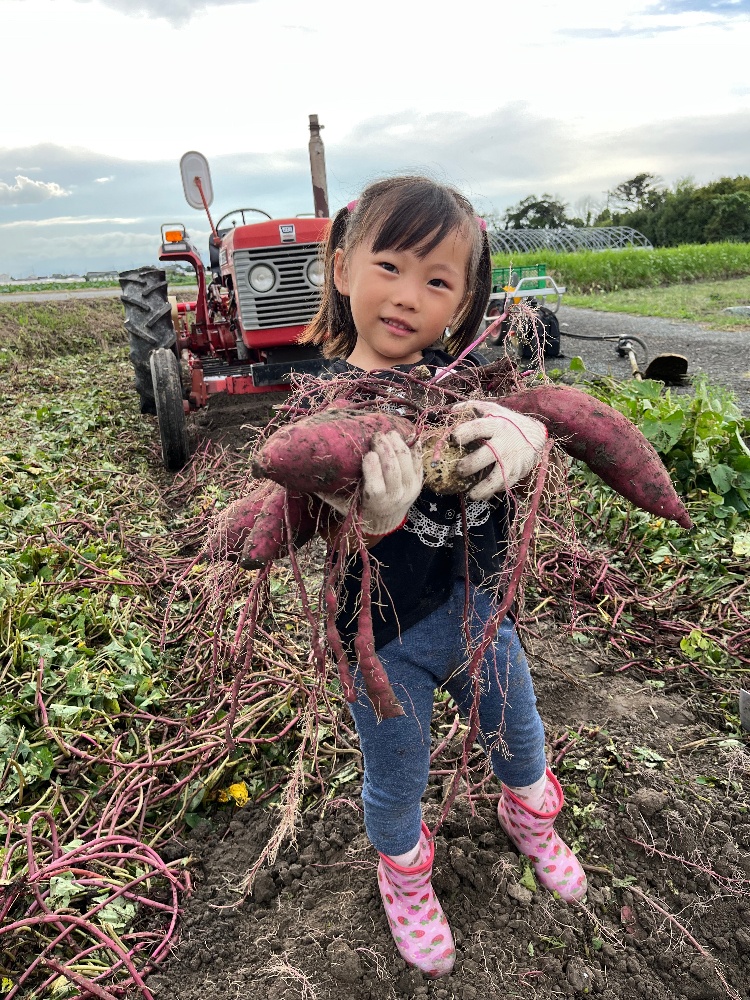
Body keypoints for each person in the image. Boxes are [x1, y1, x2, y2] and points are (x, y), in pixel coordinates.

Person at [300, 176, 587, 979]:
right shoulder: (321, 403)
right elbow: (308, 502)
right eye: (389, 266)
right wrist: (366, 514)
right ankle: (406, 878)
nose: (407, 297)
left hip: (477, 610)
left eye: (437, 282)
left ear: (462, 304)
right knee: (395, 778)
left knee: (519, 735)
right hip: (382, 638)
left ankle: (529, 817)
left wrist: (524, 437)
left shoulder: (466, 379)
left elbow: (535, 422)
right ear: (342, 267)